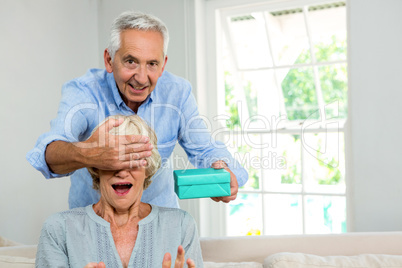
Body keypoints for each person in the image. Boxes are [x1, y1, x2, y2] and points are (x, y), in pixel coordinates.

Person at [26, 10, 248, 209]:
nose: (142, 78)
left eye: (152, 64)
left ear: (163, 64)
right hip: (92, 225)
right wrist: (89, 153)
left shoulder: (177, 92)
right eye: (131, 62)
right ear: (109, 60)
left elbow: (205, 149)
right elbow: (47, 154)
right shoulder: (84, 92)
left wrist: (223, 169)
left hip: (159, 220)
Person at [35, 115, 203, 268]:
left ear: (148, 168)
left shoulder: (181, 225)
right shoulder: (58, 229)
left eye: (133, 159)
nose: (122, 172)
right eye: (112, 160)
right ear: (96, 168)